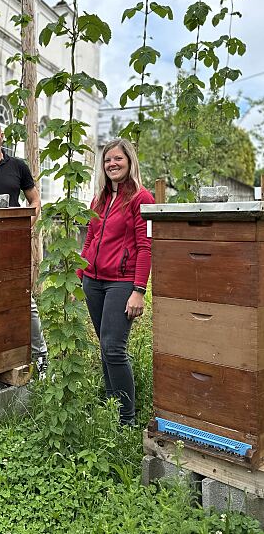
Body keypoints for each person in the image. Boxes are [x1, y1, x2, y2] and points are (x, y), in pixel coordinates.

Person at [77, 138, 155, 425]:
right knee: (104, 347)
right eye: (108, 159)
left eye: (118, 159)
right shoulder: (99, 199)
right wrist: (79, 276)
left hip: (121, 283)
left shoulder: (141, 198)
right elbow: (90, 239)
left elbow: (146, 246)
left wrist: (138, 290)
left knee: (113, 348)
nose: (112, 164)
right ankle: (112, 408)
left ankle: (126, 419)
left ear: (129, 161)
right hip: (93, 282)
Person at [0, 117, 49, 377]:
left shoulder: (18, 166)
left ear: (1, 136)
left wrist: (25, 228)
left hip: (11, 248)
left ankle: (41, 358)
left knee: (24, 301)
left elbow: (35, 200)